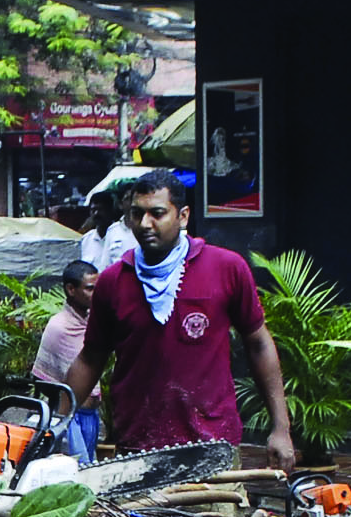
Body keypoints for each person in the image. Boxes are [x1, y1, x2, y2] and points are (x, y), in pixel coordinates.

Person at [63, 172, 295, 469]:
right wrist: (56, 422)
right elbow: (91, 357)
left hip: (213, 448)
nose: (145, 224)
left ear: (183, 216)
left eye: (157, 213)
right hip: (138, 452)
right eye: (137, 214)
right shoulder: (113, 281)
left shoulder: (226, 268)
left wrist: (281, 428)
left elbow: (259, 343)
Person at [31, 257, 102, 464]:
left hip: (90, 416)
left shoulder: (92, 322)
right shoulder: (60, 327)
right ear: (71, 290)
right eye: (90, 289)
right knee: (78, 471)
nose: (96, 294)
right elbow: (42, 380)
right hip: (70, 417)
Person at [77, 190, 132, 272]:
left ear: (110, 211)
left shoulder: (123, 233)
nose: (96, 214)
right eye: (93, 210)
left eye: (100, 210)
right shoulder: (86, 240)